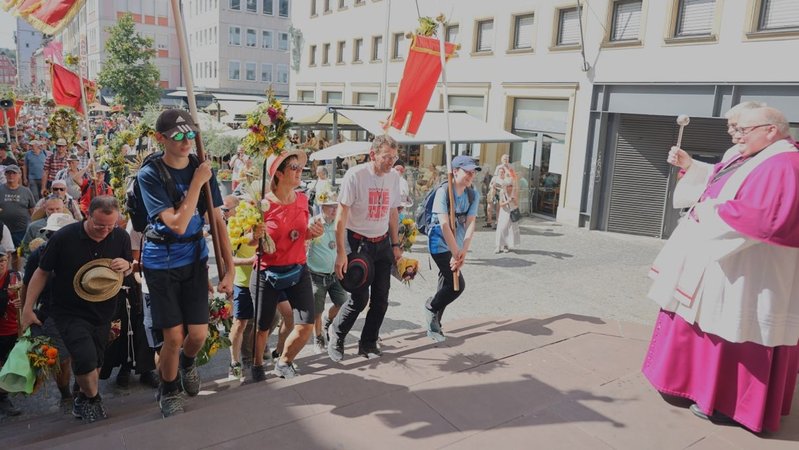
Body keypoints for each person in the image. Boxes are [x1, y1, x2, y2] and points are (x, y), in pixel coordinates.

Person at [643, 106, 799, 433]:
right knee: (707, 323)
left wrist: (708, 214)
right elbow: (721, 178)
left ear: (770, 129)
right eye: (733, 129)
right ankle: (699, 389)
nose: (735, 135)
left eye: (742, 129)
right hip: (727, 260)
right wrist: (692, 166)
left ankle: (732, 405)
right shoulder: (753, 153)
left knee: (738, 334)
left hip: (753, 271)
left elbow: (768, 217)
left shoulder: (785, 162)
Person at [138, 109, 233, 417]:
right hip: (160, 262)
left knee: (198, 335)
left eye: (190, 134)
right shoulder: (149, 174)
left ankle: (188, 364)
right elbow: (177, 223)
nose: (185, 141)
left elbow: (216, 222)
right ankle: (168, 391)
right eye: (178, 135)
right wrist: (197, 182)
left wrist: (229, 270)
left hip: (194, 260)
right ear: (160, 138)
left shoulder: (200, 166)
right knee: (173, 336)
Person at [21, 196, 133, 423]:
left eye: (110, 226)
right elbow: (41, 273)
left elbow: (128, 267)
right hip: (68, 310)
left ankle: (83, 397)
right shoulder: (64, 237)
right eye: (99, 225)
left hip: (103, 309)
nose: (105, 230)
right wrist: (27, 308)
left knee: (98, 359)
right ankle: (93, 399)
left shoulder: (120, 236)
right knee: (85, 357)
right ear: (87, 216)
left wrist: (127, 266)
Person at [249, 149, 324, 381]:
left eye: (300, 167)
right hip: (266, 272)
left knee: (306, 325)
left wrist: (313, 233)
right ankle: (257, 364)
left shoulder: (302, 200)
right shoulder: (262, 205)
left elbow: (301, 235)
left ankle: (284, 361)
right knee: (262, 327)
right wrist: (255, 234)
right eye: (294, 167)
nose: (300, 171)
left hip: (297, 269)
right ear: (278, 174)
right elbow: (251, 244)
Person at [328, 135, 403, 362]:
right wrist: (341, 252)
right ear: (373, 155)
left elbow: (392, 212)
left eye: (394, 157)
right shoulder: (356, 175)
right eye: (386, 157)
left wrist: (396, 244)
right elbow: (341, 216)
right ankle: (337, 334)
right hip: (357, 242)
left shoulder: (393, 178)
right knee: (360, 299)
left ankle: (368, 342)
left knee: (381, 298)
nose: (391, 161)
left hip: (381, 244)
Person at [20, 212, 77, 414]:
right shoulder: (39, 254)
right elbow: (26, 286)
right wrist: (25, 313)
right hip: (53, 312)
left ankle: (82, 389)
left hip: (83, 311)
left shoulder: (82, 249)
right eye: (50, 235)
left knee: (88, 352)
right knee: (60, 358)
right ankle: (66, 395)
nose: (54, 239)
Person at [424, 156, 480, 342]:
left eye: (473, 172)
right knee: (457, 286)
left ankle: (435, 325)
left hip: (457, 245)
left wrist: (463, 249)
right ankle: (431, 307)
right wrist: (455, 252)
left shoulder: (473, 194)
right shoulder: (443, 192)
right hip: (439, 243)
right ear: (455, 171)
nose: (471, 175)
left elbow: (471, 223)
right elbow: (445, 225)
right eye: (467, 171)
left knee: (447, 284)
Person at [668, 101, 767, 208]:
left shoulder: (768, 155)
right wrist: (689, 164)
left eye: (735, 126)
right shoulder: (733, 151)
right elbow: (719, 176)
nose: (730, 131)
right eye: (729, 126)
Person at [307, 191, 347, 354]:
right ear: (322, 206)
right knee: (317, 311)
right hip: (316, 276)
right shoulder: (314, 223)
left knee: (343, 304)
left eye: (336, 206)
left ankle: (328, 322)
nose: (334, 209)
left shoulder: (340, 222)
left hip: (335, 274)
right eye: (330, 206)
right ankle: (318, 337)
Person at [0, 164, 36, 269]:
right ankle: (3, 276)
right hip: (2, 229)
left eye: (14, 173)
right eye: (8, 173)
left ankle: (15, 274)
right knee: (2, 255)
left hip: (20, 229)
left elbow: (32, 210)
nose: (11, 175)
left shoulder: (26, 191)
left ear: (19, 175)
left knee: (17, 254)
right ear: (5, 175)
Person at [0, 251, 22, 417]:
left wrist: (23, 301)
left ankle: (3, 395)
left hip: (13, 329)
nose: (1, 264)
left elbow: (31, 300)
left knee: (8, 364)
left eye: (3, 260)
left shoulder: (16, 277)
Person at [494, 177, 520, 253]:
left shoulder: (514, 192)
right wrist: (508, 201)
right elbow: (501, 204)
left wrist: (514, 200)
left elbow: (516, 204)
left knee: (509, 229)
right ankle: (498, 246)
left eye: (511, 185)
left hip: (511, 212)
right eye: (508, 186)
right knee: (501, 228)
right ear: (505, 186)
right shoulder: (502, 192)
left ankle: (506, 245)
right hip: (504, 212)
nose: (510, 187)